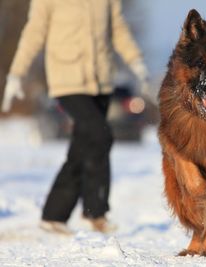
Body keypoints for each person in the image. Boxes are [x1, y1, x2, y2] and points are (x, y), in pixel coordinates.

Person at [1, 0, 149, 233]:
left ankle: (54, 215)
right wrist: (16, 75)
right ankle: (96, 212)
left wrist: (136, 61)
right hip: (66, 81)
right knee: (100, 134)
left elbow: (118, 29)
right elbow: (33, 34)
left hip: (101, 81)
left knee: (82, 145)